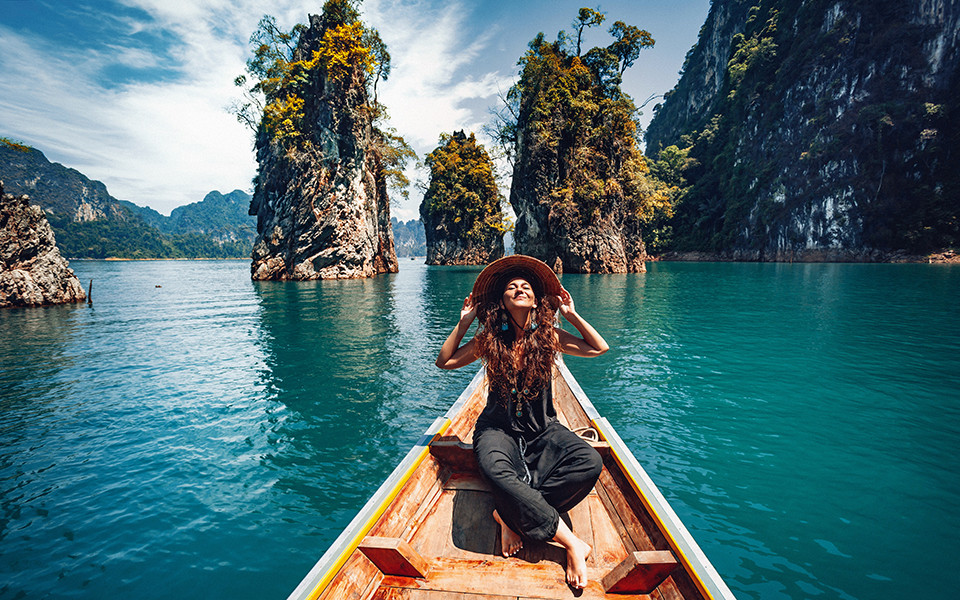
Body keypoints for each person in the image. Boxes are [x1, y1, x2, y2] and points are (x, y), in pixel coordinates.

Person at [435, 255, 609, 590]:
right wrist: (464, 322)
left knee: (589, 462)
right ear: (501, 300)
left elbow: (598, 347)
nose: (519, 288)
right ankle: (572, 542)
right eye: (511, 287)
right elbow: (445, 362)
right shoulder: (490, 340)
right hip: (497, 430)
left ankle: (506, 512)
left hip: (543, 429)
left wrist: (571, 315)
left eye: (526, 286)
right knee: (497, 469)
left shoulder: (550, 337)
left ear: (535, 300)